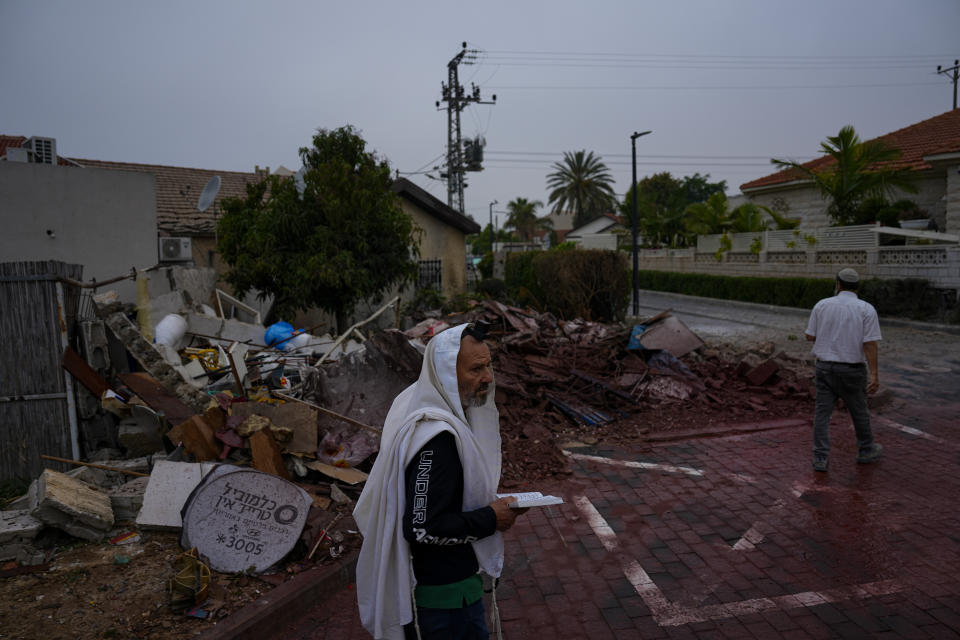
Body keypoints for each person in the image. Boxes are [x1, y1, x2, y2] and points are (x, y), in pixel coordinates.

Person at [353, 323, 526, 640]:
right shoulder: (438, 440)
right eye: (475, 369)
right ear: (447, 375)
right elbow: (422, 527)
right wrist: (491, 518)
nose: (487, 377)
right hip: (444, 603)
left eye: (488, 365)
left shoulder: (442, 421)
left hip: (458, 590)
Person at [804, 268, 883, 472]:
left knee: (822, 413)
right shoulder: (866, 309)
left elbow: (810, 336)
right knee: (859, 411)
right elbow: (870, 344)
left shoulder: (822, 305)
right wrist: (874, 373)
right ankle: (866, 449)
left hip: (824, 368)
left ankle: (820, 458)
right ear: (857, 286)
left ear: (838, 284)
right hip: (852, 370)